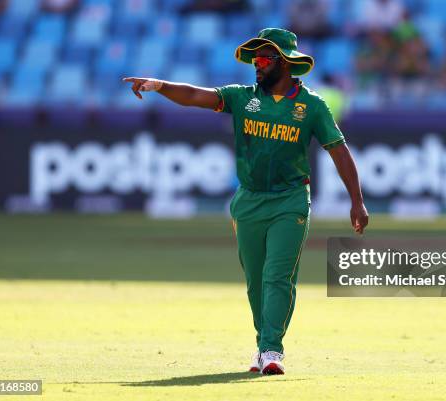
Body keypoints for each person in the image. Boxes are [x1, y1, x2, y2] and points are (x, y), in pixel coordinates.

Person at [123, 28, 368, 375]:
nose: (257, 64)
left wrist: (356, 201)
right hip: (248, 201)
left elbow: (339, 150)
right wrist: (160, 85)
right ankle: (262, 343)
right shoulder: (242, 98)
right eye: (255, 59)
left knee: (278, 277)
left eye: (265, 58)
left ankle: (272, 351)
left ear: (285, 63)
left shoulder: (311, 106)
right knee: (256, 282)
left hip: (291, 200)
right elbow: (196, 96)